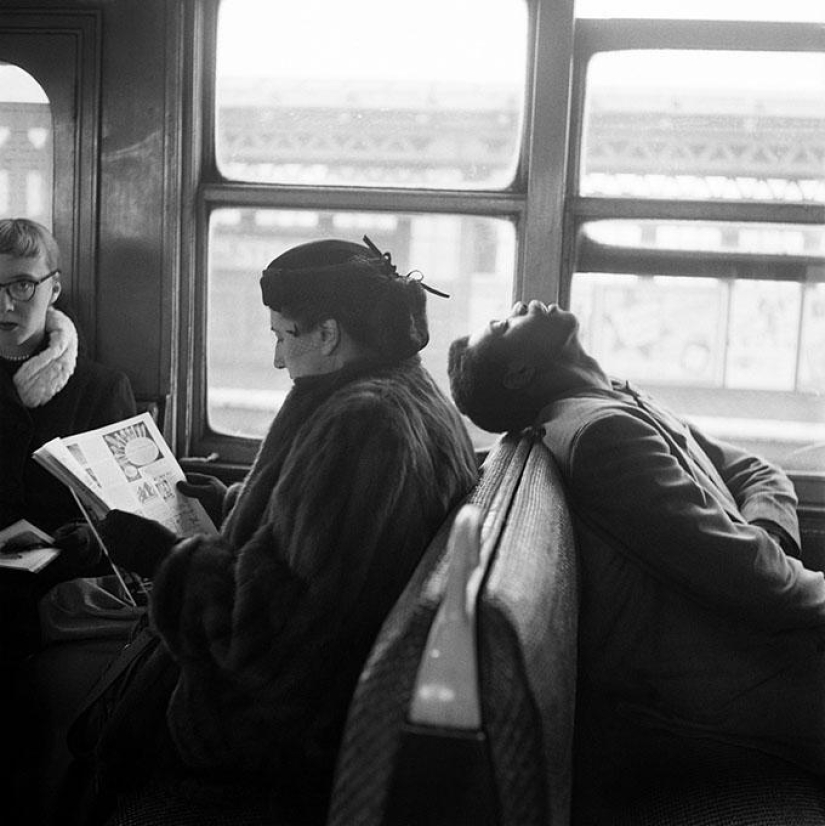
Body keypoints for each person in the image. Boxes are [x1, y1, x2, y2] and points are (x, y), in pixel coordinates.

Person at [67, 237, 478, 824]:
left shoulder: (362, 427)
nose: (279, 360)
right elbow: (316, 540)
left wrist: (164, 560)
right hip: (314, 698)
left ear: (329, 334)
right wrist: (231, 503)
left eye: (284, 336)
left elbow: (267, 642)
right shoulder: (405, 394)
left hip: (265, 735)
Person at [448, 300, 825, 797]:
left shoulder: (618, 399)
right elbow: (759, 583)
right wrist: (764, 557)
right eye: (503, 324)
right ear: (520, 372)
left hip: (759, 632)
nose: (519, 305)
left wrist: (766, 542)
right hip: (732, 685)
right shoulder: (601, 437)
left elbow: (757, 471)